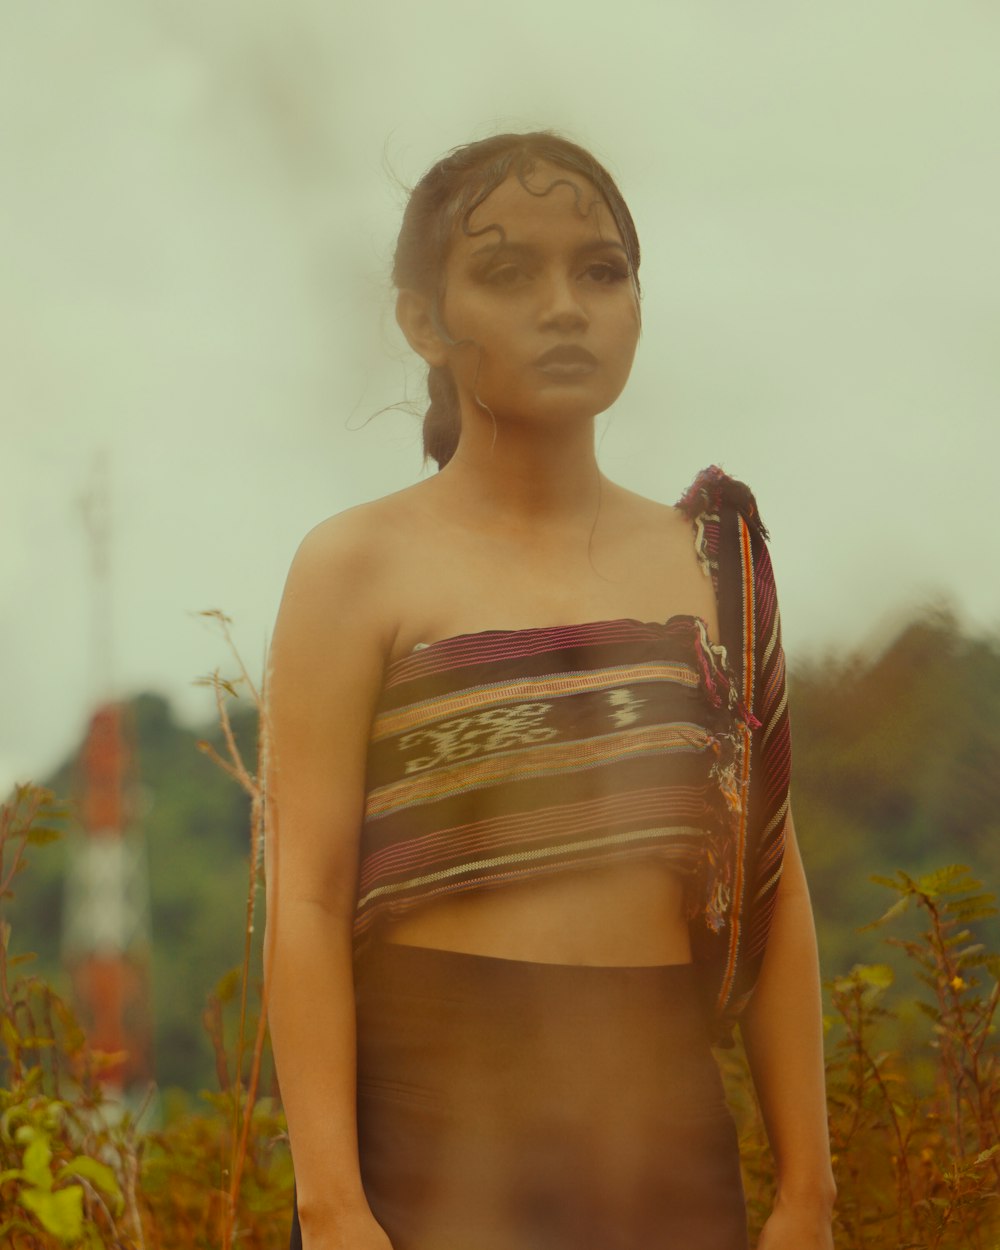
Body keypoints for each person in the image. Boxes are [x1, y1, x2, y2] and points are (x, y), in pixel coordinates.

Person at [264, 131, 835, 1250]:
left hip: (660, 1136)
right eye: (507, 271)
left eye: (600, 269)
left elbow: (776, 895)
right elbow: (309, 898)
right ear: (422, 320)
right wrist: (332, 1203)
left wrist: (804, 1193)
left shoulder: (708, 561)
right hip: (426, 1130)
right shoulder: (356, 566)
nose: (565, 305)